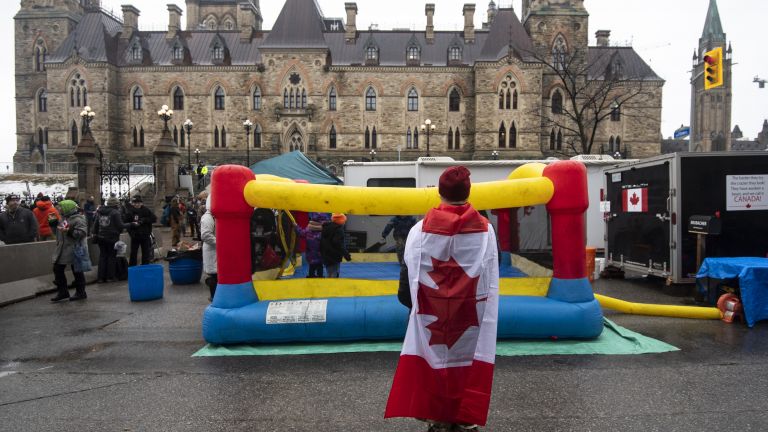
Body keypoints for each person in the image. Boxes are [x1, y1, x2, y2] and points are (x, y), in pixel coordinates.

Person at [385, 166, 499, 432]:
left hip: (429, 316)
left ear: (440, 192)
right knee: (466, 366)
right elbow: (490, 277)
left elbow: (408, 279)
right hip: (471, 319)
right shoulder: (486, 232)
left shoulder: (418, 232)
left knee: (435, 367)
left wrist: (416, 306)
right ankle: (464, 419)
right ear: (468, 192)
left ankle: (438, 420)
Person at [50, 200, 89, 302]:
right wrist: (53, 225)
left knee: (77, 271)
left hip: (75, 248)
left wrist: (69, 231)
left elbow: (82, 233)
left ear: (67, 208)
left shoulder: (79, 219)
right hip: (63, 248)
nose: (59, 209)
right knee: (57, 268)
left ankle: (81, 292)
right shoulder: (63, 218)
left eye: (61, 208)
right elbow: (59, 232)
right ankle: (63, 291)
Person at [92, 196, 126, 282]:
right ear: (116, 204)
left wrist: (95, 233)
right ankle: (110, 277)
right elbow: (120, 226)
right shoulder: (115, 212)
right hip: (112, 237)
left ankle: (100, 277)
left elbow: (95, 225)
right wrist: (130, 225)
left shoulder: (100, 211)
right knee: (112, 257)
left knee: (103, 256)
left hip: (100, 237)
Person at [123, 195, 157, 266]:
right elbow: (126, 223)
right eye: (135, 203)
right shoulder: (130, 211)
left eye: (138, 203)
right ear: (132, 203)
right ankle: (132, 267)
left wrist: (144, 220)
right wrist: (131, 233)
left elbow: (154, 219)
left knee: (146, 253)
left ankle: (145, 266)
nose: (137, 204)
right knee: (133, 253)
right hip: (135, 236)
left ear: (141, 203)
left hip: (145, 235)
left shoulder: (146, 210)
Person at [296, 212, 330, 278]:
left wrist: (296, 226)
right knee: (320, 267)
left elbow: (301, 233)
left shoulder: (309, 229)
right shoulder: (325, 231)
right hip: (321, 255)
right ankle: (320, 278)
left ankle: (311, 278)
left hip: (310, 255)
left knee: (312, 267)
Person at [320, 213, 351, 278]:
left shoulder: (326, 228)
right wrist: (346, 255)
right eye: (344, 221)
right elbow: (338, 243)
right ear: (341, 221)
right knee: (334, 274)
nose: (345, 222)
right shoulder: (339, 230)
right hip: (334, 256)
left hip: (326, 255)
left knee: (329, 273)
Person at [200, 195, 217, 301]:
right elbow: (206, 235)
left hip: (214, 250)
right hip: (212, 250)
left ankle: (214, 296)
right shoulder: (208, 217)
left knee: (216, 274)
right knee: (214, 275)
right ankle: (213, 297)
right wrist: (220, 243)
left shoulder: (213, 216)